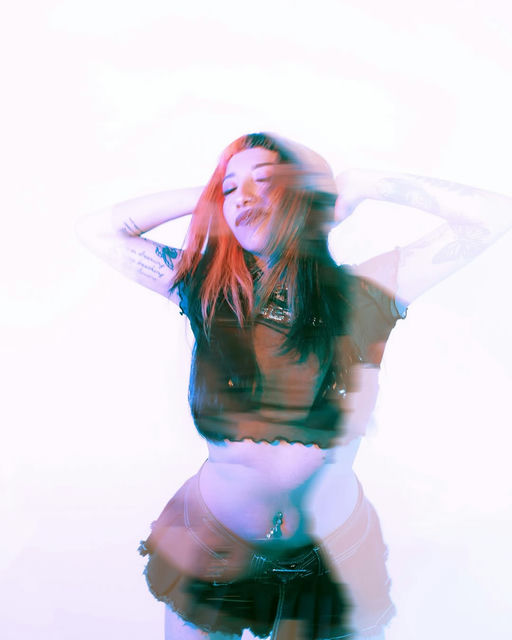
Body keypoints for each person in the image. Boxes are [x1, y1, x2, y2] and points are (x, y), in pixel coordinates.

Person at [77, 132, 512, 640]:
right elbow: (98, 231)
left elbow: (492, 216)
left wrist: (363, 184)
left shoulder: (366, 294)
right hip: (212, 547)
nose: (243, 197)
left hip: (334, 561)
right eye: (231, 188)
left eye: (264, 181)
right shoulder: (204, 287)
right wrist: (213, 196)